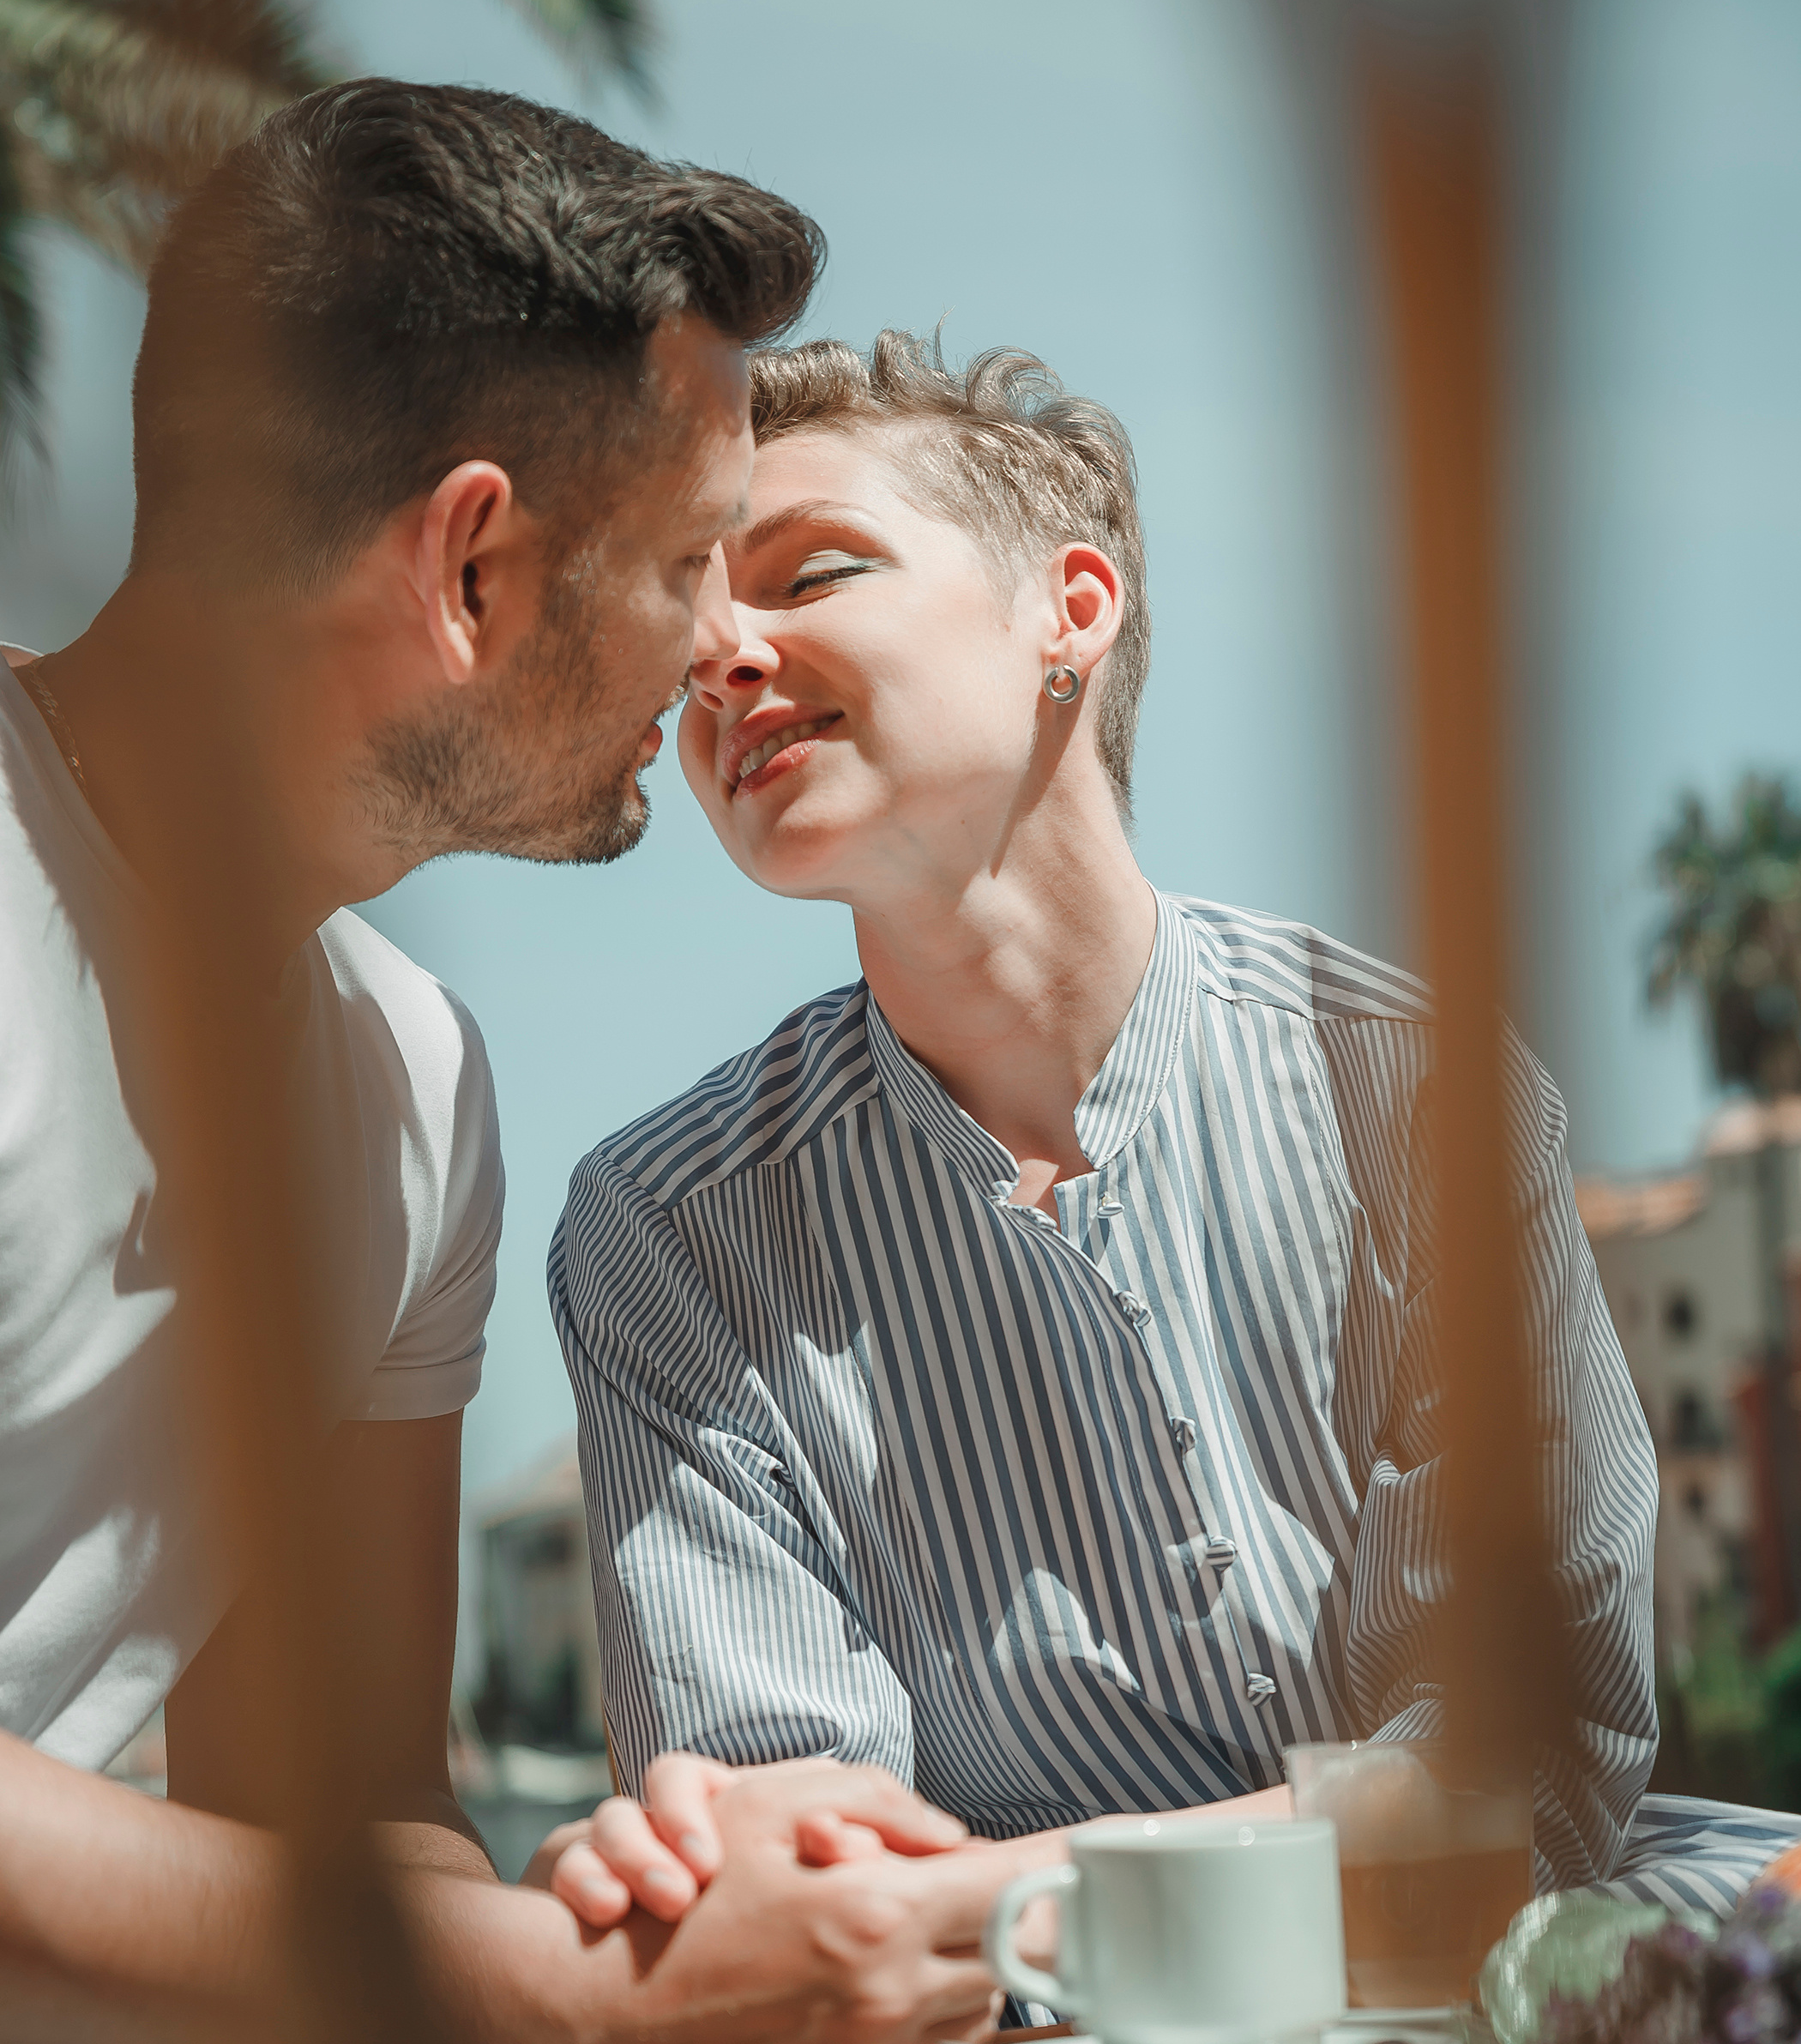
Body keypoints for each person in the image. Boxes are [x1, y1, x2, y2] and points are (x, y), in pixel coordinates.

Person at [0, 107, 1054, 2044]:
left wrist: (636, 1913)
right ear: (470, 570)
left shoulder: (404, 1078)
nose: (724, 645)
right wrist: (537, 2005)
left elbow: (337, 1787)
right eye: (690, 557)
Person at [549, 329, 1801, 1938]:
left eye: (811, 573)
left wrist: (1000, 1889)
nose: (720, 654)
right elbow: (784, 1901)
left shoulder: (1414, 1094)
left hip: (1499, 2015)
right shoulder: (667, 1227)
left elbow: (1515, 1779)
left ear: (1070, 611)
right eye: (695, 613)